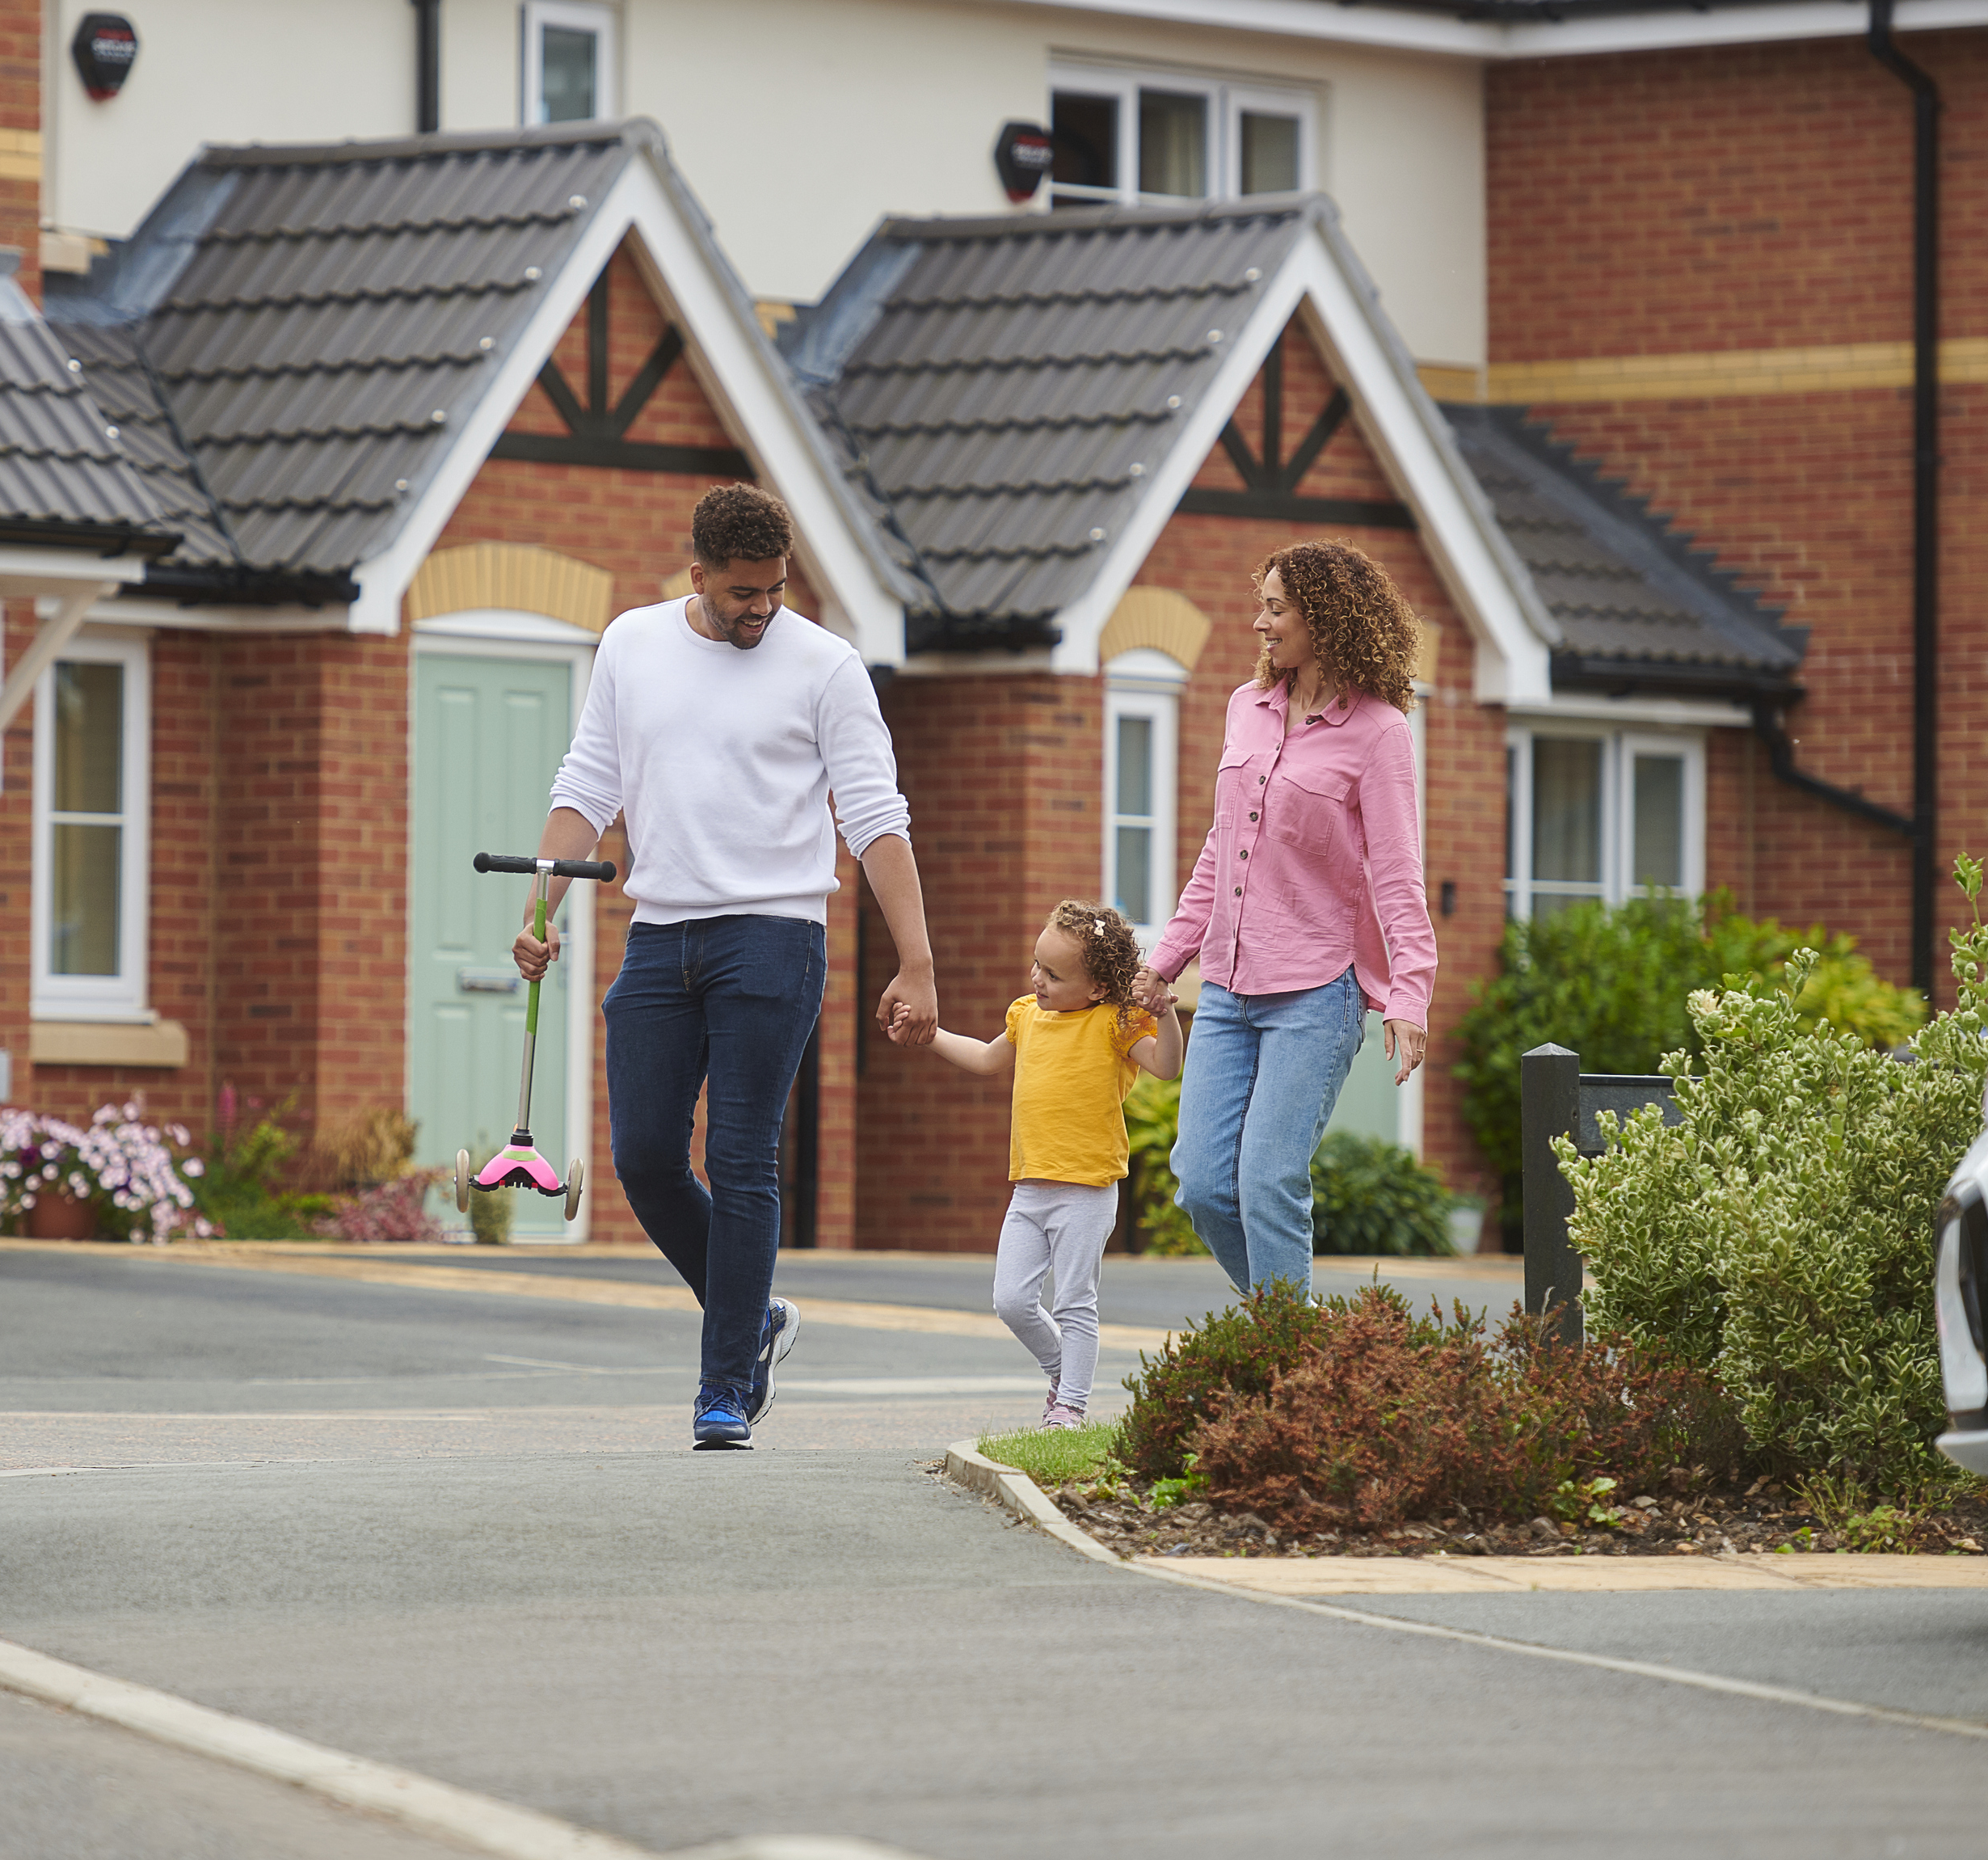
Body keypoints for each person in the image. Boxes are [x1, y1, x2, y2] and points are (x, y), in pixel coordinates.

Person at [511, 484, 941, 1450]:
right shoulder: (631, 642)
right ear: (697, 574)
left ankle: (722, 1388)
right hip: (660, 930)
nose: (763, 608)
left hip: (775, 931)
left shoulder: (827, 667)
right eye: (744, 591)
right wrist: (537, 910)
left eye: (777, 589)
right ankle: (756, 1317)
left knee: (742, 1157)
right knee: (648, 1159)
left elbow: (875, 817)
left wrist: (917, 962)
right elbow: (587, 783)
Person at [1135, 540, 1436, 1299]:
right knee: (1202, 1184)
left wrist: (1409, 996)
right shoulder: (1248, 707)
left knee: (1268, 1182)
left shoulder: (1379, 733)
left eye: (1276, 609)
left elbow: (1400, 877)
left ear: (1324, 620)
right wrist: (1166, 961)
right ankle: (1303, 1342)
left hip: (1316, 990)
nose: (1260, 623)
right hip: (1229, 986)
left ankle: (1287, 1362)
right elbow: (1221, 849)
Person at [923, 900, 1183, 1430]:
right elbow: (984, 1058)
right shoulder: (1026, 1016)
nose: (1037, 978)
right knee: (1011, 1300)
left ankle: (1071, 1407)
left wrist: (1167, 1016)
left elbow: (1168, 1065)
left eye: (1054, 974)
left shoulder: (1115, 1023)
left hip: (1087, 1190)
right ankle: (1065, 1373)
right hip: (1030, 1189)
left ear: (1093, 988)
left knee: (1074, 1302)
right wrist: (931, 1035)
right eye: (1037, 964)